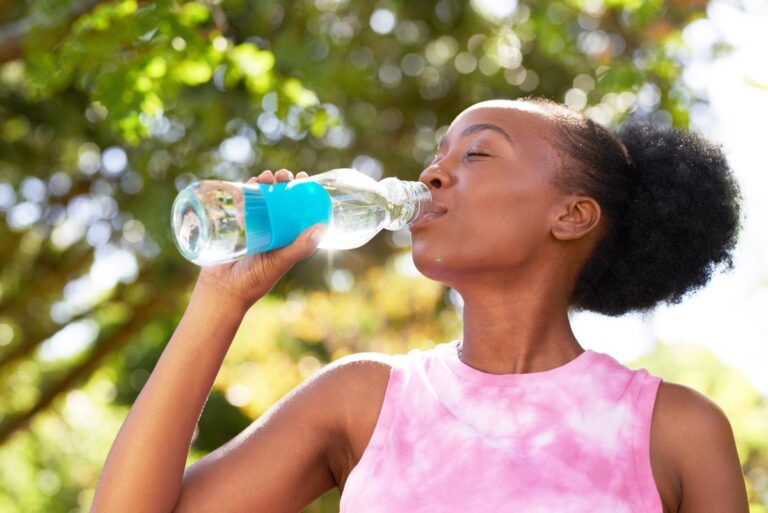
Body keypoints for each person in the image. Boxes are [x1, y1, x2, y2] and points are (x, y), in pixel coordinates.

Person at [92, 98, 748, 513]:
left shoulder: (676, 429)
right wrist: (221, 297)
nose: (432, 174)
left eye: (478, 152)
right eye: (438, 154)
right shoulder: (361, 399)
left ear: (571, 215)